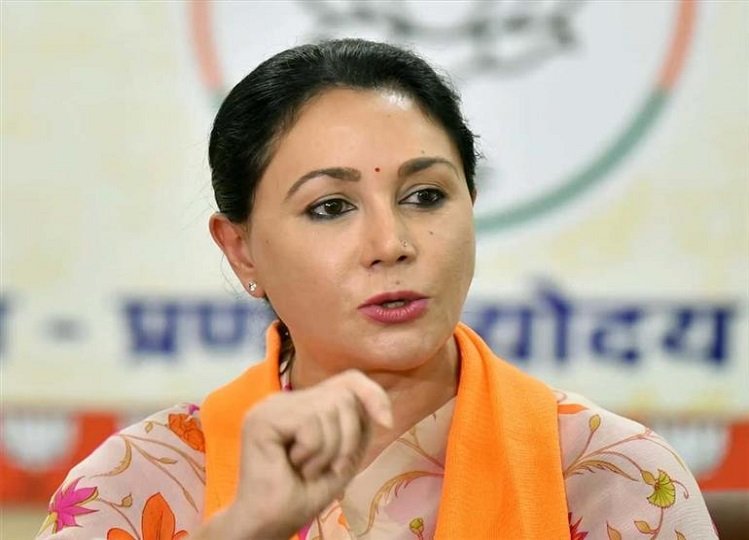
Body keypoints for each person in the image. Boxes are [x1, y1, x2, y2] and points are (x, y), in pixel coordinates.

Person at [36, 39, 716, 540]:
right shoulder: (140, 482)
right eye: (330, 207)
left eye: (426, 195)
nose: (391, 243)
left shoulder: (613, 476)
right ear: (240, 249)